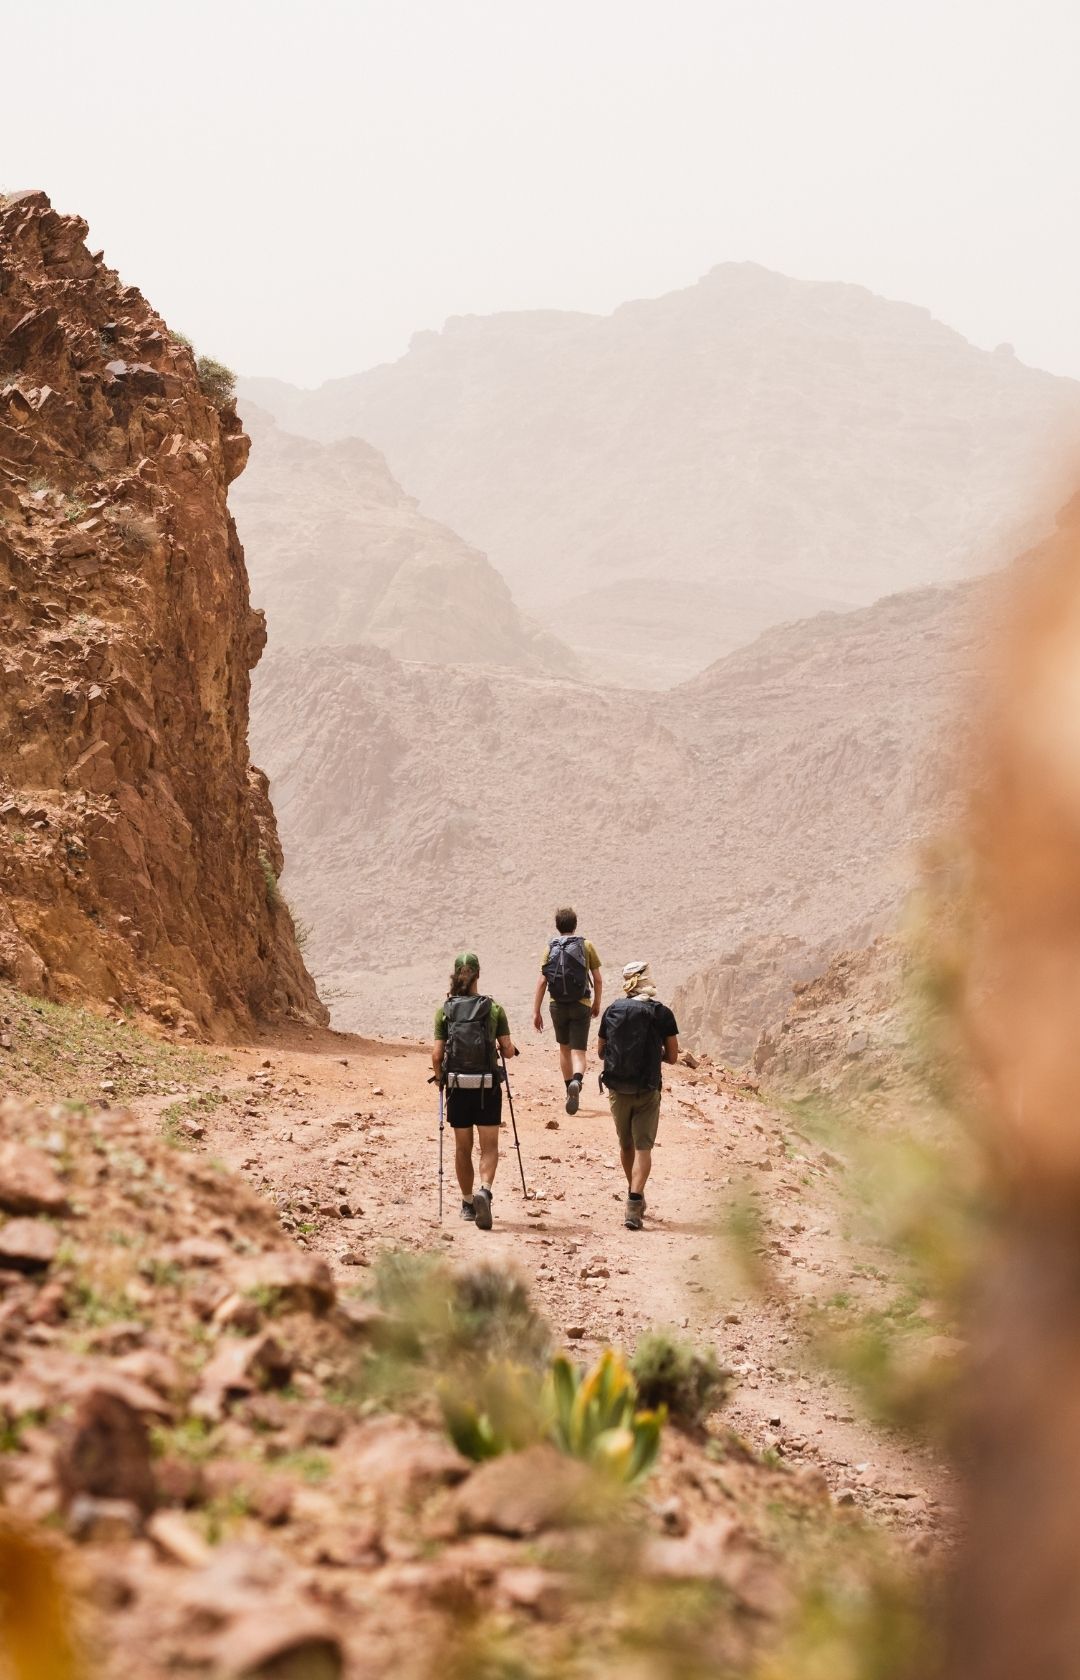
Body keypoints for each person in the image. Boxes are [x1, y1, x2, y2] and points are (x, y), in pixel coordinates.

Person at [432, 951, 518, 1230]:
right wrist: (509, 1050)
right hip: (487, 1086)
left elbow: (436, 1055)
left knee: (462, 1147)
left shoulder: (445, 1011)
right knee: (489, 1146)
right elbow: (507, 1049)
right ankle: (485, 1191)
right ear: (478, 974)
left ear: (456, 974)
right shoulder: (493, 1009)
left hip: (458, 1087)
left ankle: (468, 1203)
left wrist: (440, 1079)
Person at [597, 961, 679, 1230]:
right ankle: (634, 1202)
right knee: (643, 1147)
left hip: (617, 1089)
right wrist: (655, 1056)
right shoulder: (662, 1013)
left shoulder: (612, 1010)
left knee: (626, 1145)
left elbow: (601, 1051)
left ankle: (634, 1192)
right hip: (647, 1089)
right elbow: (673, 1057)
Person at [533, 907, 602, 1114]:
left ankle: (568, 1089)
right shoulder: (586, 945)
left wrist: (536, 1012)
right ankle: (577, 1082)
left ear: (557, 926)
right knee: (578, 1051)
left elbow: (542, 981)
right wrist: (597, 1003)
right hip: (581, 1003)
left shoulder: (550, 947)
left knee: (564, 1048)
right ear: (575, 924)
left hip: (557, 1004)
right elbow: (597, 979)